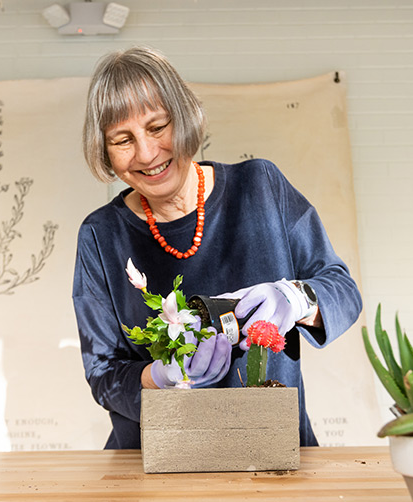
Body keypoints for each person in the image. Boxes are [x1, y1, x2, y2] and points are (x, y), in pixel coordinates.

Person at [72, 46, 362, 450]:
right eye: (123, 140)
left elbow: (343, 289)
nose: (147, 153)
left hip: (270, 451)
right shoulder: (101, 236)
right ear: (104, 150)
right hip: (154, 465)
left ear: (186, 116)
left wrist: (296, 299)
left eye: (157, 127)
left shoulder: (260, 186)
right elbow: (104, 374)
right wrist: (161, 376)